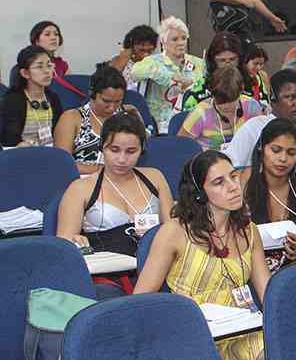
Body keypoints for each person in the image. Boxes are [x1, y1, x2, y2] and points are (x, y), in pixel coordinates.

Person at [134, 151, 270, 360]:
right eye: (219, 182)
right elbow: (140, 300)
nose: (233, 187)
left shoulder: (249, 230)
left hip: (245, 326)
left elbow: (268, 292)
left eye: (233, 177)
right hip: (198, 336)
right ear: (199, 194)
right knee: (281, 355)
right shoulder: (174, 233)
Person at [56, 113, 171, 256]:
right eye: (114, 150)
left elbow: (171, 229)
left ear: (142, 150)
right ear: (101, 147)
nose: (122, 159)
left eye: (131, 151)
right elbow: (64, 244)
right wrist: (75, 240)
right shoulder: (80, 188)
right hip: (105, 271)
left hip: (154, 264)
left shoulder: (155, 177)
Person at [241, 118, 296, 275]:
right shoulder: (241, 183)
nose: (283, 159)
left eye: (291, 153)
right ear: (262, 148)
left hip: (294, 272)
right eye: (275, 150)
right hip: (248, 270)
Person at [54, 65, 142, 175]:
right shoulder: (72, 118)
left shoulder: (127, 114)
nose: (112, 107)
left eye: (118, 101)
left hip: (121, 178)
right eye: (106, 101)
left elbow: (141, 151)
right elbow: (61, 163)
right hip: (84, 181)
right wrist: (103, 170)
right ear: (92, 93)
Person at [130, 16, 202, 134]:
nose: (180, 43)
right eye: (175, 39)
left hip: (191, 121)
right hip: (159, 125)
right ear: (163, 42)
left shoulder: (198, 62)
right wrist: (170, 77)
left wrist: (192, 85)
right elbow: (135, 72)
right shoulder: (153, 61)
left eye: (183, 38)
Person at [178, 66, 265, 151]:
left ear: (241, 90)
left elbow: (261, 137)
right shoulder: (200, 113)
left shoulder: (252, 106)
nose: (225, 106)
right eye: (220, 101)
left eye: (231, 101)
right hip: (207, 161)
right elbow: (181, 146)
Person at [2, 46, 62, 148]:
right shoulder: (13, 100)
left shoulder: (53, 97)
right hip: (20, 155)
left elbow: (60, 131)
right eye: (39, 67)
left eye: (49, 65)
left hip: (51, 153)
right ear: (25, 73)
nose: (47, 71)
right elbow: (9, 141)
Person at [181, 32, 244, 110]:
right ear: (213, 61)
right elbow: (188, 120)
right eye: (222, 60)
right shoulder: (199, 89)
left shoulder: (251, 82)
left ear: (240, 59)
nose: (228, 65)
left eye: (232, 59)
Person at [110, 24, 158, 91]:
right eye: (141, 50)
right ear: (131, 47)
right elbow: (109, 81)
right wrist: (123, 60)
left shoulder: (155, 63)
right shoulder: (120, 61)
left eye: (150, 50)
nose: (146, 55)